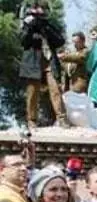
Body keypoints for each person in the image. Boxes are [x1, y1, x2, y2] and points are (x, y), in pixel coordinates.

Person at [19, 1, 67, 129]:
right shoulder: (27, 24)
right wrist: (30, 26)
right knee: (32, 92)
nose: (39, 11)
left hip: (49, 60)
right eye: (36, 9)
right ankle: (31, 121)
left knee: (55, 89)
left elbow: (60, 41)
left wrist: (45, 28)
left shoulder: (49, 25)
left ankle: (61, 119)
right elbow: (23, 41)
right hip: (33, 61)